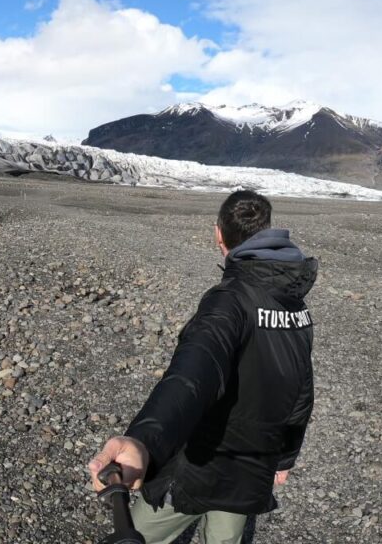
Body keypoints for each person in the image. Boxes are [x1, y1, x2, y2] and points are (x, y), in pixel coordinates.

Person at [89, 190, 317, 544]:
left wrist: (143, 440)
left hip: (201, 464)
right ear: (267, 233)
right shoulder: (295, 305)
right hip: (252, 468)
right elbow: (301, 389)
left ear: (218, 234)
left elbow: (192, 377)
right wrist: (284, 457)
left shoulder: (229, 301)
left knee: (137, 535)